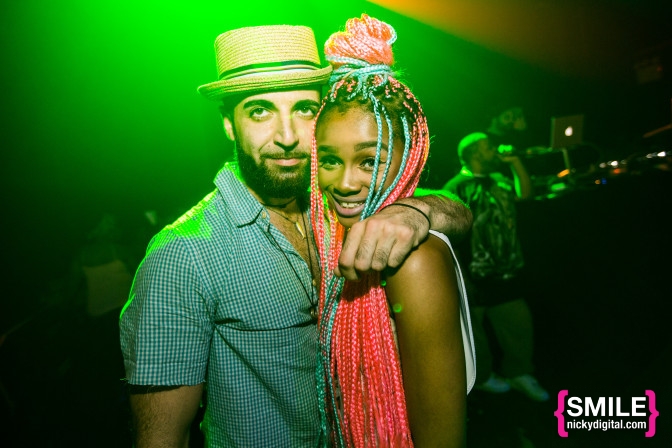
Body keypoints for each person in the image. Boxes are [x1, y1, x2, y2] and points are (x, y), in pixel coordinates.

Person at [119, 24, 473, 447]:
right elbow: (160, 439)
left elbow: (461, 211)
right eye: (260, 111)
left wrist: (417, 210)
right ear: (229, 124)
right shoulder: (184, 252)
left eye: (304, 109)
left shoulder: (338, 203)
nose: (287, 137)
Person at [311, 15, 475, 447]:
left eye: (369, 160)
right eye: (330, 160)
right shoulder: (327, 233)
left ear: (409, 155)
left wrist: (420, 209)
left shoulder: (414, 262)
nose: (345, 183)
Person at [443, 132, 549, 402]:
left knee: (518, 325)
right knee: (474, 334)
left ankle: (519, 372)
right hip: (474, 275)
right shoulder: (455, 188)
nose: (494, 150)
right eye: (488, 147)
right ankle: (482, 378)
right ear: (473, 154)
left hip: (507, 272)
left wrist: (516, 163)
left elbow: (525, 194)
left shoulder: (500, 180)